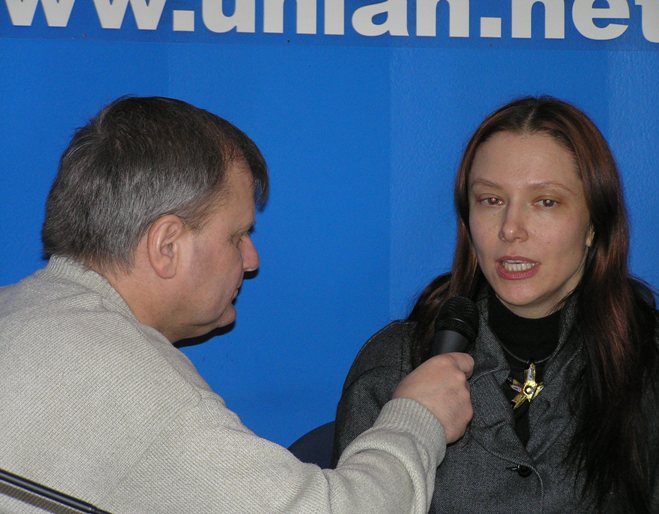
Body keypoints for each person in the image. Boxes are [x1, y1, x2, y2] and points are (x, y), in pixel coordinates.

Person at [0, 96, 474, 513]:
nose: (251, 260)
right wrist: (419, 416)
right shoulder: (127, 379)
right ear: (167, 245)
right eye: (237, 236)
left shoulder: (21, 312)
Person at [333, 96, 659, 513]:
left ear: (594, 223)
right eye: (491, 200)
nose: (511, 229)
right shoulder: (396, 362)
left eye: (545, 201)